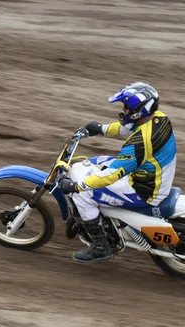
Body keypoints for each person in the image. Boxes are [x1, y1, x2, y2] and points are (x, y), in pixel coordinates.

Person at [59, 82, 177, 263]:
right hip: (153, 175)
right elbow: (126, 128)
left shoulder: (138, 143)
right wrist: (100, 129)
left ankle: (101, 246)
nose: (124, 110)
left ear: (138, 110)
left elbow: (112, 175)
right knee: (93, 161)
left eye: (126, 107)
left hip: (144, 189)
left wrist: (77, 186)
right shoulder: (159, 119)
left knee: (83, 195)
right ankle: (93, 218)